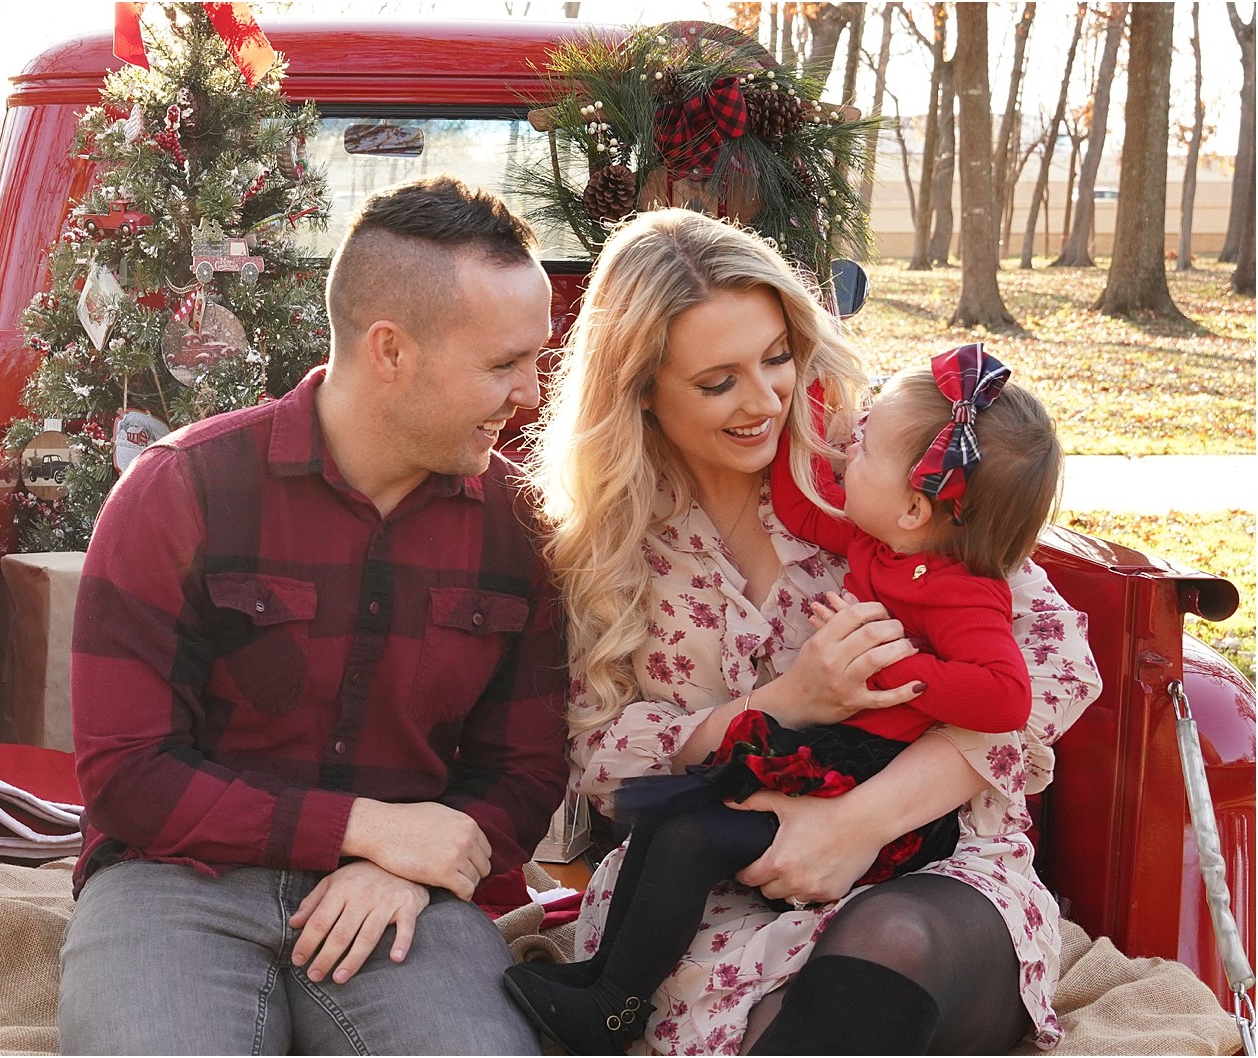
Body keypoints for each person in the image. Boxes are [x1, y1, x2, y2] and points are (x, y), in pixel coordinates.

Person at [520, 208, 1102, 1055]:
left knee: (892, 943)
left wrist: (858, 822)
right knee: (776, 1025)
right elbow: (601, 763)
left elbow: (1051, 664)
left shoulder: (875, 474)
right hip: (714, 890)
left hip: (933, 863)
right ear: (640, 389)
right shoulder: (608, 547)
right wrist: (787, 702)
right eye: (717, 382)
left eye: (776, 357)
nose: (764, 402)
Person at [57, 175, 570, 1056]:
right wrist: (367, 829)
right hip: (175, 878)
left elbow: (523, 772)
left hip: (402, 899)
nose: (530, 393)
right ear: (390, 350)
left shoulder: (519, 527)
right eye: (503, 365)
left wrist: (407, 869)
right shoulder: (181, 490)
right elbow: (128, 774)